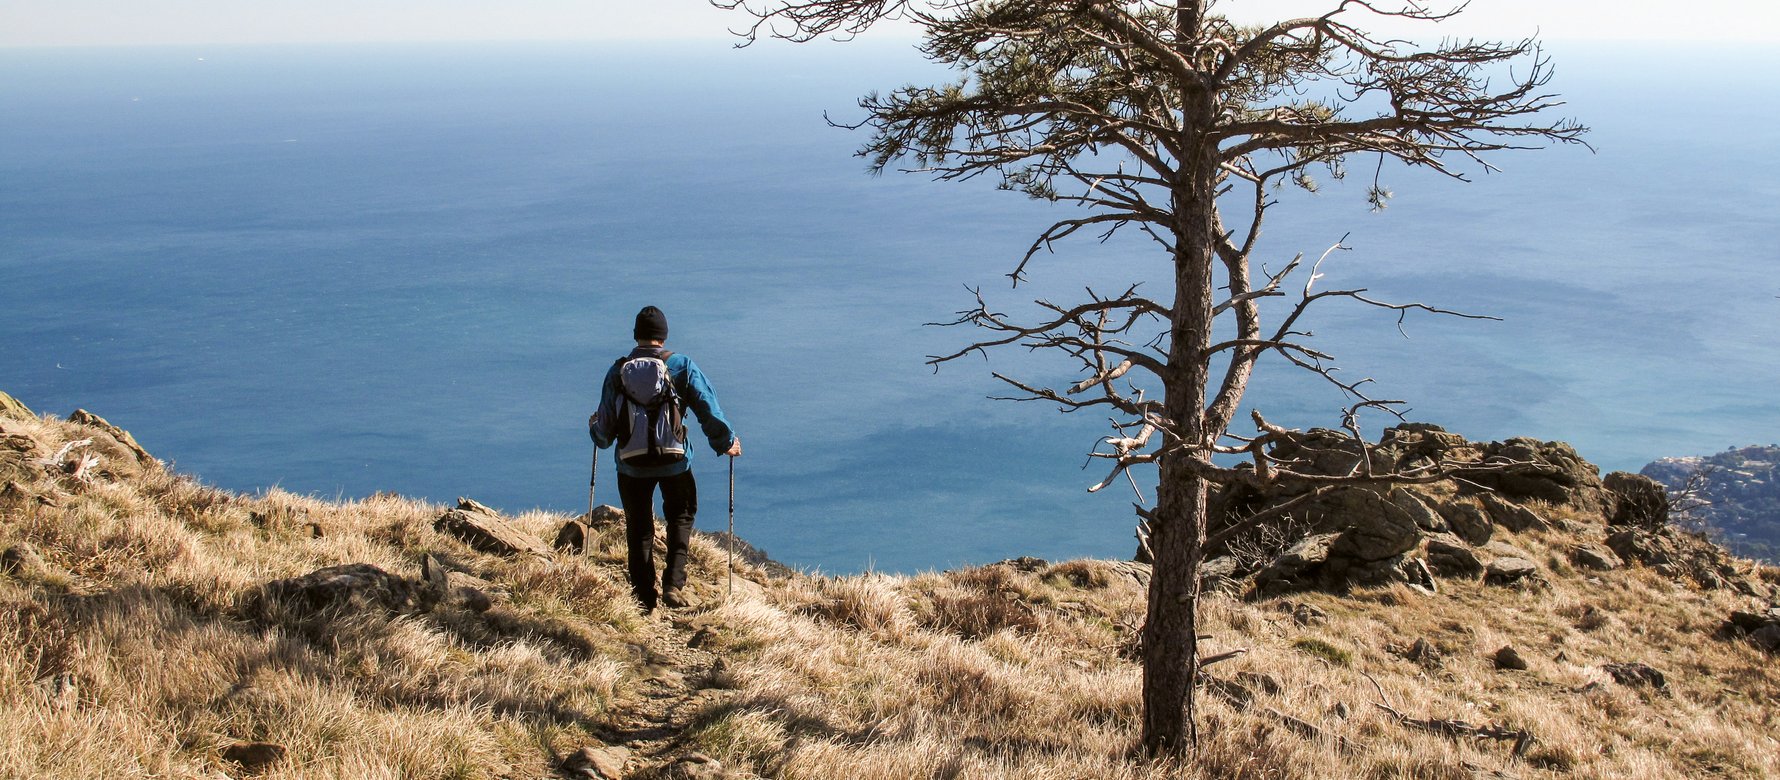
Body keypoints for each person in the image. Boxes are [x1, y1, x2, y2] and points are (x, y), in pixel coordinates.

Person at [590, 305, 741, 613]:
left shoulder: (618, 371)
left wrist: (595, 429)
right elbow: (707, 408)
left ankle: (644, 598)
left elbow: (604, 434)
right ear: (664, 335)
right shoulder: (681, 366)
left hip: (631, 466)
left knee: (639, 527)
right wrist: (726, 442)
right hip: (675, 462)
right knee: (681, 516)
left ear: (636, 335)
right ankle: (673, 583)